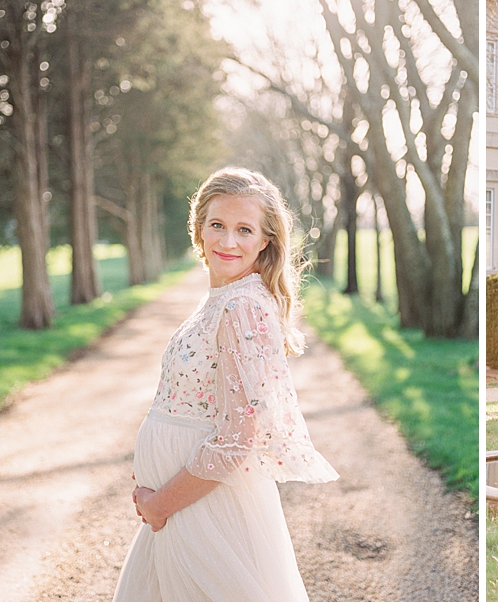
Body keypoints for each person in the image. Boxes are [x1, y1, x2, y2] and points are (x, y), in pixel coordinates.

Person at [113, 168, 338, 601]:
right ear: (199, 229)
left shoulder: (241, 308)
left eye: (244, 230)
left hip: (205, 510)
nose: (228, 241)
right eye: (217, 225)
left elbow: (239, 438)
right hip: (182, 508)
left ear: (265, 240)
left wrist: (160, 504)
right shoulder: (222, 300)